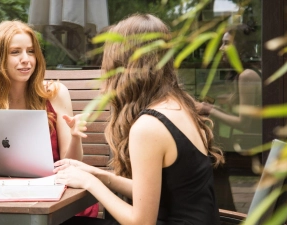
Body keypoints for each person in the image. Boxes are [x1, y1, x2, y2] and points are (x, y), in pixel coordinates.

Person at [53, 14, 224, 225]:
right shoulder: (179, 105)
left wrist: (90, 183)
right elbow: (160, 191)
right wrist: (98, 174)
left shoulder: (149, 126)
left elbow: (142, 222)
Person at [0, 20, 98, 218]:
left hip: (55, 200)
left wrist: (75, 136)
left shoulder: (55, 93)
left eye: (31, 51)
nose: (26, 59)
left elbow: (73, 162)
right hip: (0, 197)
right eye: (15, 52)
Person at [195, 23, 262, 211]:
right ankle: (225, 211)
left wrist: (209, 110)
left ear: (240, 47)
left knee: (210, 159)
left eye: (226, 43)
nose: (220, 48)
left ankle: (224, 213)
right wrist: (210, 106)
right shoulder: (244, 74)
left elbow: (245, 124)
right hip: (245, 143)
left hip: (250, 148)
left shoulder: (247, 76)